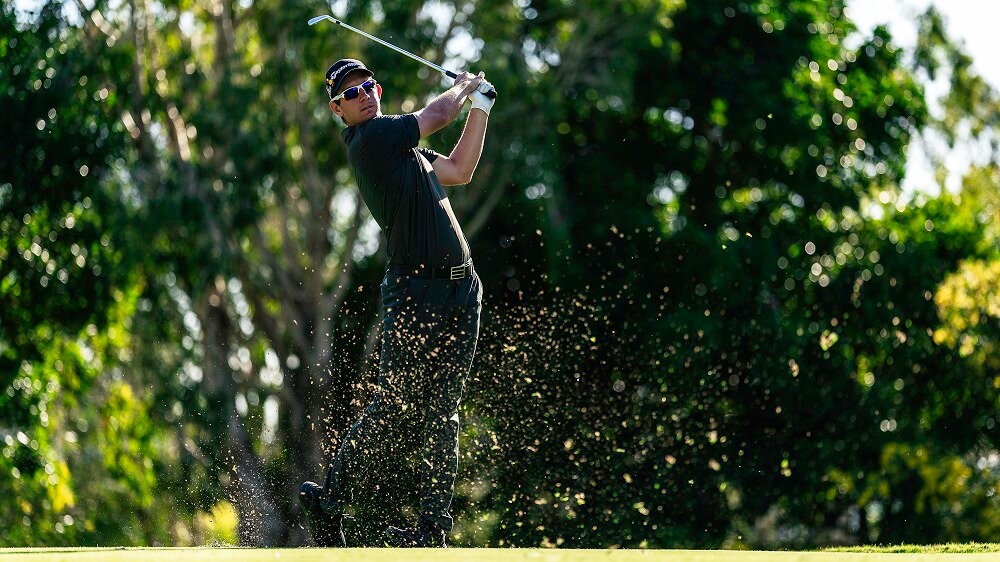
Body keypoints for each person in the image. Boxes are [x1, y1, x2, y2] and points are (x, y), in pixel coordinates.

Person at [298, 58, 495, 548]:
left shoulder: (408, 153)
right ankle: (330, 502)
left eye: (367, 86)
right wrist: (465, 90)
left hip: (461, 290)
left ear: (378, 88)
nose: (362, 94)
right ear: (338, 109)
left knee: (443, 411)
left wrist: (482, 108)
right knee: (394, 405)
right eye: (350, 93)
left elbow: (460, 169)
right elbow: (437, 116)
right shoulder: (370, 140)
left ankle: (432, 530)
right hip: (413, 292)